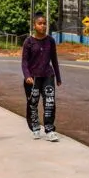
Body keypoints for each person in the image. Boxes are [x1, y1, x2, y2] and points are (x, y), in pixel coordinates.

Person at [22, 12, 63, 142]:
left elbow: (54, 59)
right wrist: (27, 75)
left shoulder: (50, 40)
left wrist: (58, 77)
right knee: (32, 103)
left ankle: (50, 129)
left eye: (45, 23)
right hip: (32, 78)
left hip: (47, 75)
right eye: (40, 23)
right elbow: (24, 62)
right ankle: (35, 128)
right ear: (34, 25)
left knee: (49, 103)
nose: (43, 26)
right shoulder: (28, 41)